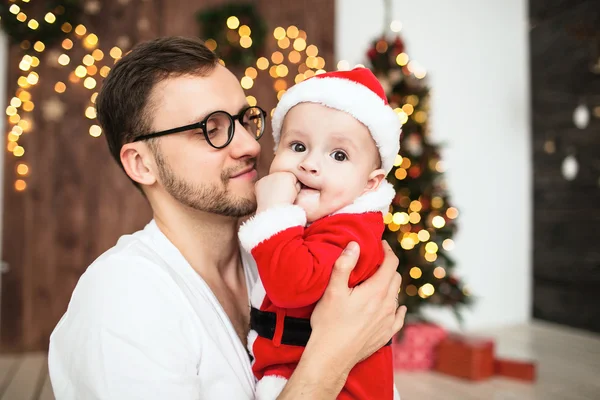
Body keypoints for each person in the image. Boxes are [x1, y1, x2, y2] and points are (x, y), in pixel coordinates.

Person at [48, 36, 406, 400]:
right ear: (141, 163)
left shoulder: (283, 249)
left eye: (245, 119)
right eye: (210, 130)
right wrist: (332, 358)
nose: (250, 146)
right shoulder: (122, 299)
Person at [238, 67, 402, 400]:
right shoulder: (320, 218)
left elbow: (291, 285)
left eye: (338, 155)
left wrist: (272, 214)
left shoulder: (351, 233)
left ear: (371, 183)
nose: (310, 164)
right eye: (297, 146)